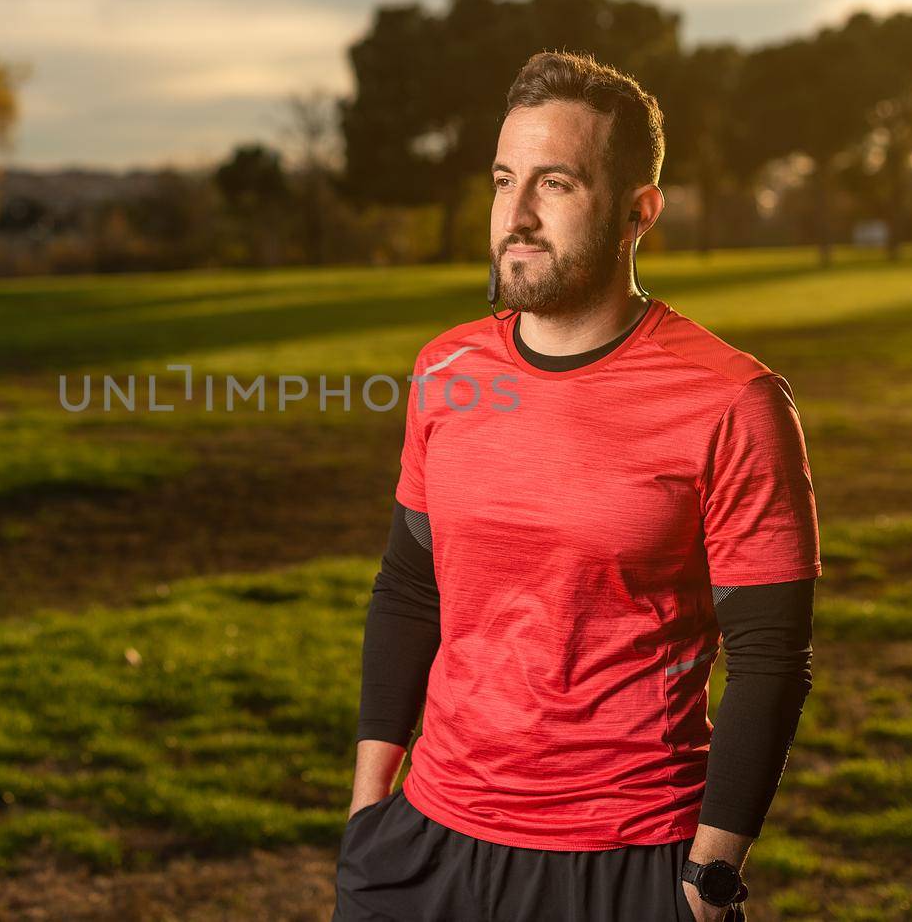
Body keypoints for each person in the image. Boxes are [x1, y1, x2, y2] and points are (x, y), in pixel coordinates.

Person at [332, 50, 821, 922]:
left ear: (639, 213)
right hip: (426, 843)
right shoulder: (447, 367)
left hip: (624, 861)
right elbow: (410, 585)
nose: (515, 217)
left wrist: (711, 873)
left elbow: (772, 655)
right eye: (502, 180)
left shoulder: (732, 401)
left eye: (553, 184)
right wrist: (370, 808)